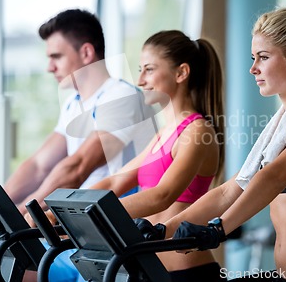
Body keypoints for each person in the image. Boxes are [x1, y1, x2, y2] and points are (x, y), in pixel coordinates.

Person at [162, 0, 286, 282]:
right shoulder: (280, 126)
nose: (253, 68)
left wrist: (219, 229)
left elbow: (276, 175)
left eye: (263, 57)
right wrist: (163, 229)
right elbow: (232, 190)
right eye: (253, 58)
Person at [0, 9, 154, 281]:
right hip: (77, 229)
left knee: (4, 263)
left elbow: (78, 167)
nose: (50, 66)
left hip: (111, 236)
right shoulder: (74, 103)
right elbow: (39, 164)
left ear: (86, 53)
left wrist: (24, 210)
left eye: (56, 56)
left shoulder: (122, 97)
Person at [39, 30, 227, 282]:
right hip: (148, 269)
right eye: (140, 69)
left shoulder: (197, 130)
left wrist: (85, 215)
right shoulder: (162, 135)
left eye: (149, 69)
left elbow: (162, 195)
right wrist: (59, 209)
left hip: (187, 273)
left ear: (181, 73)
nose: (140, 80)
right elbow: (114, 182)